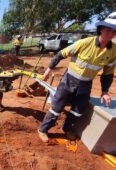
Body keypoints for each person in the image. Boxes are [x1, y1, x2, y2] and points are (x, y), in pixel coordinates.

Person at [38, 12, 116, 143]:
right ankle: (43, 130)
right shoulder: (85, 43)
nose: (111, 33)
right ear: (101, 29)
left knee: (78, 110)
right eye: (108, 30)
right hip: (69, 80)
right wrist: (48, 70)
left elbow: (108, 73)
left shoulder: (114, 51)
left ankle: (67, 128)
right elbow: (61, 54)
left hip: (86, 84)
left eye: (114, 31)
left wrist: (105, 91)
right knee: (57, 107)